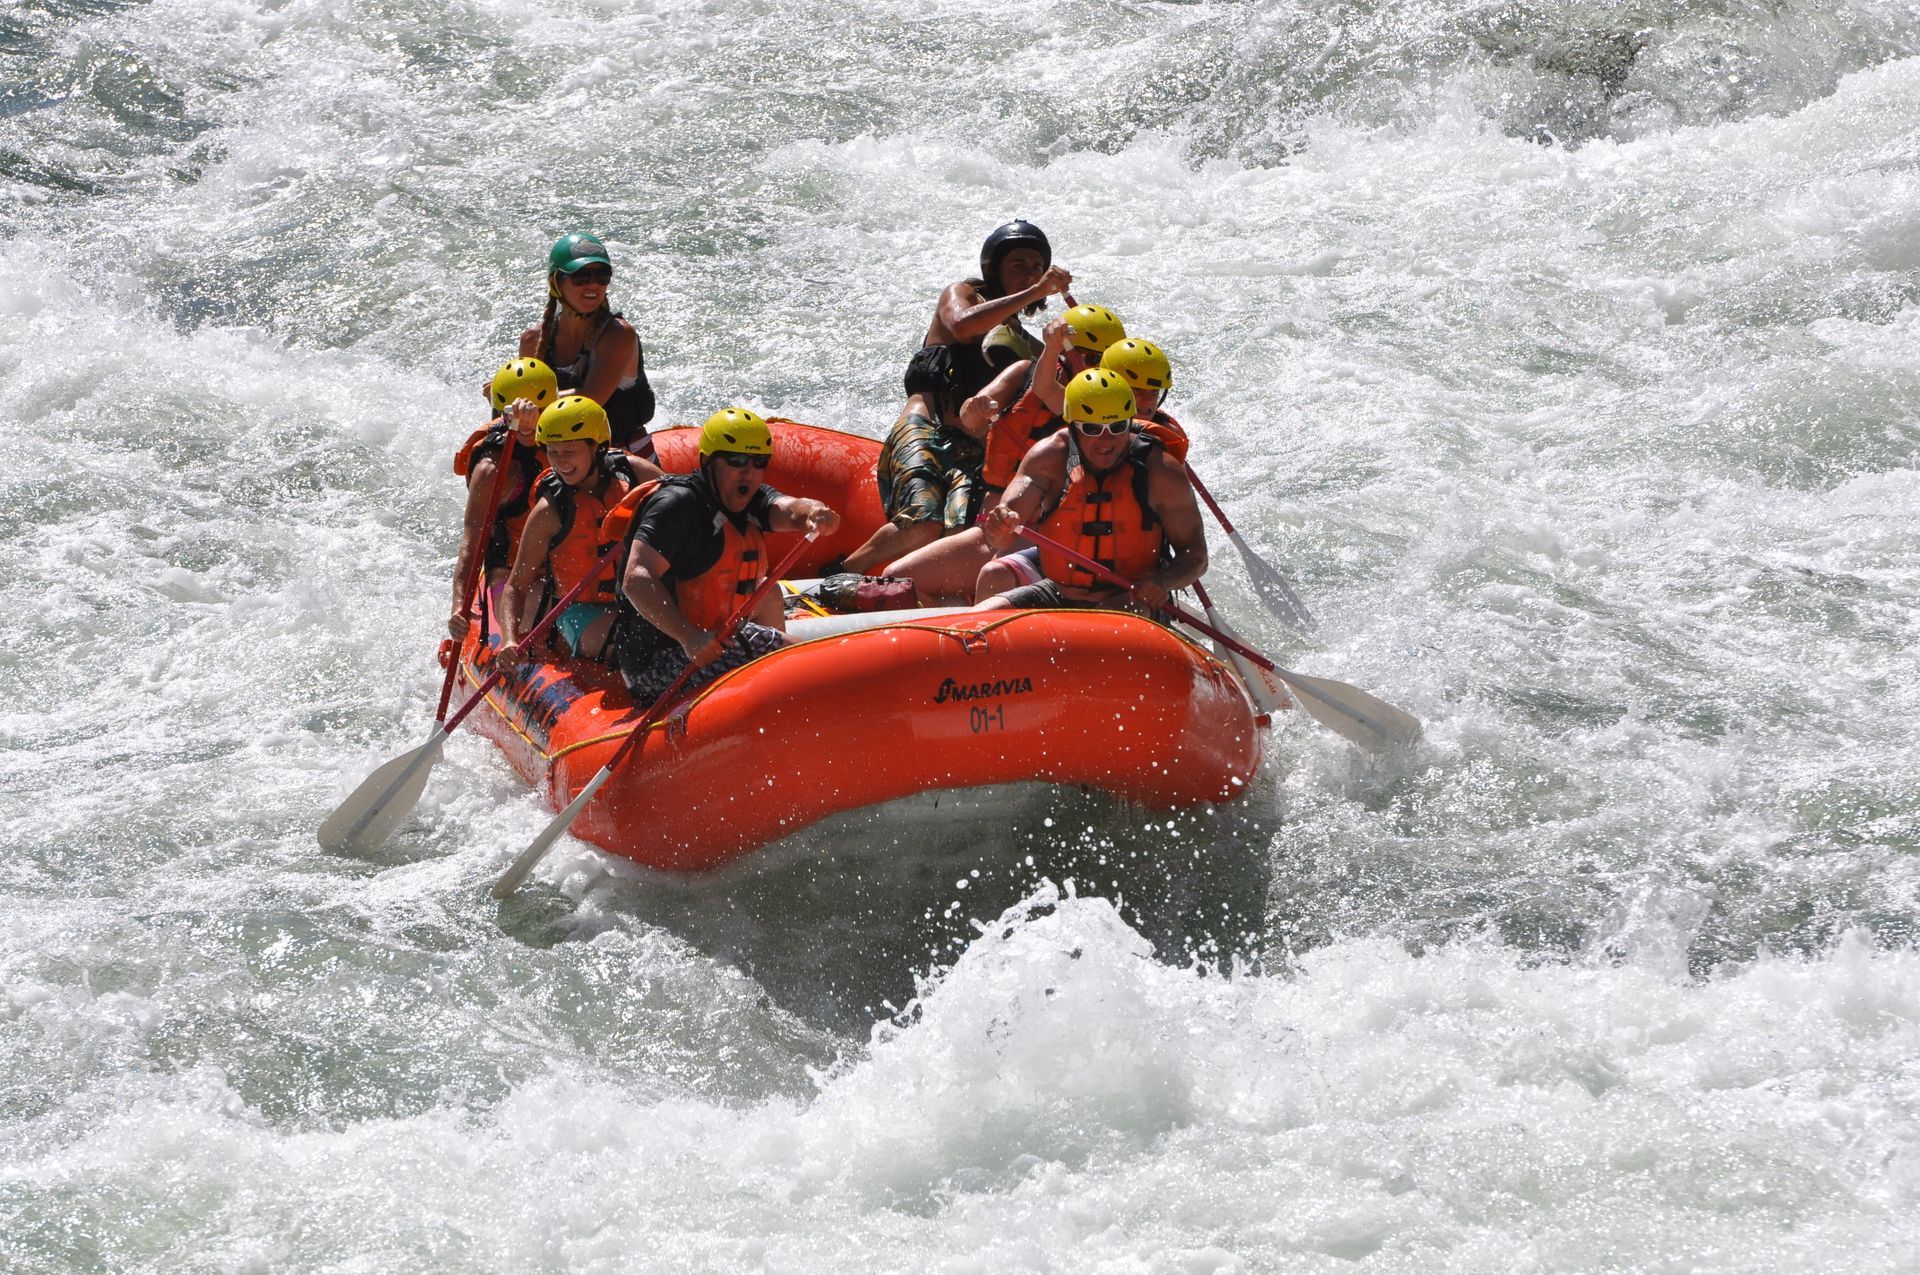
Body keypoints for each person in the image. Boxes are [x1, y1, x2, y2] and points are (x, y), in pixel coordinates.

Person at [877, 303, 1126, 603]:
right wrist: (975, 407)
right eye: (1088, 356)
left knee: (993, 579)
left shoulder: (1109, 416)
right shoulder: (1025, 374)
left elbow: (1056, 397)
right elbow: (970, 418)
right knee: (898, 580)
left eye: (1103, 360)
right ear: (1064, 352)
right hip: (989, 529)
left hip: (1043, 539)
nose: (1094, 367)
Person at [608, 408, 839, 705]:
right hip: (658, 662)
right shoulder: (676, 506)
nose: (749, 472)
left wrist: (813, 512)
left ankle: (772, 706)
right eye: (737, 461)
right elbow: (636, 579)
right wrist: (688, 637)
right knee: (797, 666)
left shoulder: (747, 498)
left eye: (758, 463)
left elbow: (789, 509)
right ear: (708, 461)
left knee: (772, 599)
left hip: (715, 639)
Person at [973, 368, 1207, 612]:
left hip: (1132, 598)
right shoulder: (1049, 457)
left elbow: (1196, 556)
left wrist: (1162, 582)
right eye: (1093, 429)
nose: (1106, 440)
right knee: (987, 600)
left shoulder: (1161, 471)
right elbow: (1001, 536)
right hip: (1060, 590)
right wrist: (999, 524)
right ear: (1073, 426)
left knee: (1121, 613)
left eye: (1117, 427)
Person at [496, 396, 663, 665]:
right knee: (639, 642)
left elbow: (681, 510)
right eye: (553, 452)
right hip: (580, 611)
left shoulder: (636, 474)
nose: (561, 462)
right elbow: (516, 586)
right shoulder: (548, 511)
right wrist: (510, 640)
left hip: (638, 595)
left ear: (596, 447)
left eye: (569, 451)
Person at [836, 378, 997, 575]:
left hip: (974, 449)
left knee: (958, 531)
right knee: (923, 523)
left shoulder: (1026, 364)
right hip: (924, 426)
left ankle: (926, 591)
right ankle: (843, 570)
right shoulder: (952, 349)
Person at [519, 231, 658, 459]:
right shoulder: (531, 340)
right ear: (556, 283)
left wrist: (525, 401)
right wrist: (504, 395)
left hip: (618, 454)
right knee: (487, 467)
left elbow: (590, 400)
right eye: (581, 277)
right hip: (557, 455)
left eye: (602, 276)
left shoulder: (619, 335)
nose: (593, 285)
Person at [904, 220, 1073, 406]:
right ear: (995, 270)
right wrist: (1036, 291)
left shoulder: (1017, 335)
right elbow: (961, 326)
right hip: (925, 422)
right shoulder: (961, 292)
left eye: (1037, 267)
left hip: (984, 431)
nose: (1030, 275)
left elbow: (1057, 368)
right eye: (1018, 265)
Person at [449, 358, 559, 641]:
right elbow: (471, 543)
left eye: (536, 413)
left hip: (562, 569)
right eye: (517, 416)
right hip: (511, 578)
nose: (527, 424)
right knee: (539, 622)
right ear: (502, 415)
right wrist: (457, 607)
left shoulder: (565, 443)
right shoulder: (493, 471)